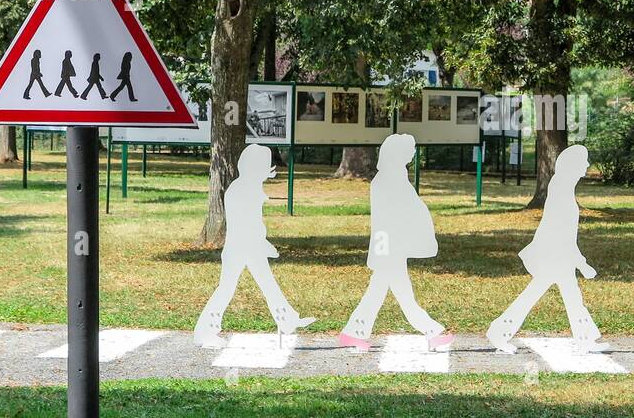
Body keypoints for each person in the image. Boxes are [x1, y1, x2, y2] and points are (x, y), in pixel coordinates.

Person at [486, 144, 609, 354]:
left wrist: (578, 261)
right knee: (540, 296)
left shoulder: (563, 186)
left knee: (570, 297)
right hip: (556, 256)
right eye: (584, 160)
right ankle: (499, 332)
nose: (587, 165)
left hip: (559, 255)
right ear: (573, 164)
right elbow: (561, 231)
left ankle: (585, 339)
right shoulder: (561, 188)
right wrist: (582, 263)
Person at [338, 133, 455, 352]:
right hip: (390, 245)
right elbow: (398, 213)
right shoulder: (390, 179)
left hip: (391, 245)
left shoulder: (391, 177)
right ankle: (433, 332)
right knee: (401, 294)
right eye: (409, 149)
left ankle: (353, 333)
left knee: (381, 292)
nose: (412, 153)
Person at [193, 144, 312, 347]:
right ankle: (205, 331)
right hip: (239, 248)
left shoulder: (249, 187)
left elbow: (254, 223)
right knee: (227, 288)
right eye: (264, 168)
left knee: (268, 284)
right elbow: (245, 223)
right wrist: (262, 243)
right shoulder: (241, 190)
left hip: (249, 246)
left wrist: (261, 243)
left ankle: (287, 320)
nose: (267, 174)